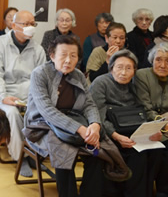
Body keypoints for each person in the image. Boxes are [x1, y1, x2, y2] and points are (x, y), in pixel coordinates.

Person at [24, 35, 104, 197]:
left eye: (73, 56)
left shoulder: (79, 75)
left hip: (74, 120)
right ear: (52, 56)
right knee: (64, 152)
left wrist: (95, 124)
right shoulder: (40, 74)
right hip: (42, 125)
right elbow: (47, 110)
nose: (68, 60)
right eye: (63, 55)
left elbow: (89, 104)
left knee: (98, 151)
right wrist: (79, 129)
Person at [90, 49, 158, 197]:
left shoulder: (135, 84)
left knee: (146, 152)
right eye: (119, 67)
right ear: (111, 68)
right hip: (108, 132)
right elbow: (98, 117)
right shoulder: (101, 83)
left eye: (129, 68)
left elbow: (144, 111)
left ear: (134, 71)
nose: (123, 72)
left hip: (132, 133)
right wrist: (116, 136)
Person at [0, 10, 46, 176]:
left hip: (29, 96)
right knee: (12, 114)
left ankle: (35, 154)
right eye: (25, 24)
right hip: (4, 95)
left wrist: (37, 100)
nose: (30, 28)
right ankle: (20, 157)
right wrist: (3, 97)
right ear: (13, 25)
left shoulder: (38, 49)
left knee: (41, 113)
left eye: (32, 24)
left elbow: (41, 78)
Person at [134, 43, 168, 196]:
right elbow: (145, 108)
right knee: (159, 148)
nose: (163, 65)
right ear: (152, 60)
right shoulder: (142, 75)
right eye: (159, 60)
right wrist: (163, 124)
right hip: (148, 125)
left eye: (167, 61)